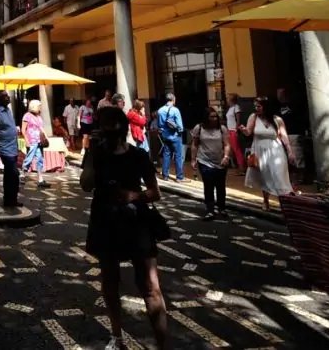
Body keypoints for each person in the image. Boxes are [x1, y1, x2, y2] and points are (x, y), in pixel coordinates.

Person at [80, 107, 169, 350]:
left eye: (109, 124)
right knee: (110, 280)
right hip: (106, 221)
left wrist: (134, 196)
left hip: (136, 221)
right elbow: (86, 185)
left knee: (150, 286)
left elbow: (155, 192)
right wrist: (91, 154)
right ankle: (117, 335)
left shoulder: (138, 156)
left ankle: (162, 344)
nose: (107, 130)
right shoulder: (96, 154)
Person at [244, 96, 295, 211]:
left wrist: (290, 151)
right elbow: (248, 132)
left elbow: (284, 136)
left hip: (276, 150)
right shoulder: (253, 117)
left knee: (279, 175)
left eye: (259, 106)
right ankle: (266, 200)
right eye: (255, 106)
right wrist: (244, 130)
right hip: (259, 150)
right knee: (265, 176)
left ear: (266, 107)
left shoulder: (277, 119)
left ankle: (284, 203)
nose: (256, 108)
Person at [191, 107, 232, 220]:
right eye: (211, 117)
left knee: (220, 186)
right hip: (204, 161)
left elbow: (227, 144)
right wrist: (193, 159)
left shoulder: (222, 129)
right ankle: (210, 209)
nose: (214, 119)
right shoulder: (199, 128)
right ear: (206, 118)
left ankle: (222, 208)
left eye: (215, 116)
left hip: (220, 161)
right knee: (208, 185)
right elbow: (195, 144)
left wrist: (226, 156)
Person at [0, 91, 21, 208]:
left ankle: (11, 200)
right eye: (5, 96)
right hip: (4, 149)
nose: (8, 98)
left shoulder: (8, 111)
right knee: (13, 174)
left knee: (11, 176)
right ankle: (9, 200)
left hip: (13, 147)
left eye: (7, 96)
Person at [21, 99, 50, 189]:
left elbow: (41, 128)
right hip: (32, 140)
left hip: (39, 141)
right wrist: (26, 140)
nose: (40, 108)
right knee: (29, 158)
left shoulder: (39, 117)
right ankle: (22, 175)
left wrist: (46, 136)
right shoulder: (27, 116)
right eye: (39, 106)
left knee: (40, 159)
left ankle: (40, 179)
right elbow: (23, 129)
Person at [157, 93, 185, 182]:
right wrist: (180, 131)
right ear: (173, 99)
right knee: (178, 156)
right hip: (175, 136)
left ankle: (165, 175)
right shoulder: (175, 110)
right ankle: (179, 177)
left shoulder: (160, 110)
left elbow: (159, 125)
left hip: (165, 136)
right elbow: (180, 126)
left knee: (166, 154)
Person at [225, 93, 244, 173]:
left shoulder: (236, 107)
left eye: (228, 98)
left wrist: (236, 129)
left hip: (233, 130)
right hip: (229, 130)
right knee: (232, 148)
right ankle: (236, 165)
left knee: (237, 149)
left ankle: (242, 167)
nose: (227, 100)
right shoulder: (230, 108)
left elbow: (238, 119)